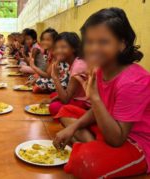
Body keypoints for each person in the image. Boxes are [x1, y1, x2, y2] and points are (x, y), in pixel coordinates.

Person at [53, 8, 150, 178]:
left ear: (122, 43)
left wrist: (95, 97)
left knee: (84, 162)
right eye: (89, 42)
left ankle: (93, 148)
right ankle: (94, 145)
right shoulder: (102, 69)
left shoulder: (133, 81)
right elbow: (99, 110)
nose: (93, 48)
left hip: (136, 142)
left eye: (103, 42)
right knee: (65, 111)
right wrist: (73, 127)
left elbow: (117, 139)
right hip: (109, 126)